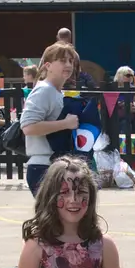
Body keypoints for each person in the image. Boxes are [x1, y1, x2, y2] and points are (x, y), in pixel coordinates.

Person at [19, 42, 82, 194]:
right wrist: (65, 124)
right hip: (43, 167)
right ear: (48, 65)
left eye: (70, 61)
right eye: (62, 60)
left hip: (54, 165)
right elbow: (28, 127)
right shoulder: (44, 90)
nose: (68, 64)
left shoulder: (55, 91)